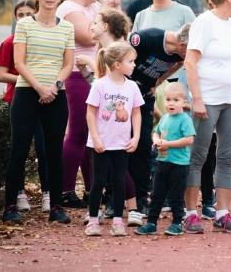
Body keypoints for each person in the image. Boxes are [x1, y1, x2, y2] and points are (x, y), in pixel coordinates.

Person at [2, 0, 74, 225]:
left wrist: (53, 87)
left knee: (54, 152)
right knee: (18, 150)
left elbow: (68, 64)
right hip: (26, 93)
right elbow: (19, 62)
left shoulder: (66, 27)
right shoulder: (24, 25)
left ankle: (56, 207)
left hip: (56, 94)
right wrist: (39, 88)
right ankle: (10, 206)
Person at [183, 0, 231, 234]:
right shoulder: (204, 23)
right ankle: (190, 214)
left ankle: (222, 213)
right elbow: (190, 62)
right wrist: (197, 98)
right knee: (197, 157)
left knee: (226, 156)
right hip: (207, 99)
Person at [126, 23, 190, 214]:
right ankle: (115, 197)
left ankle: (140, 198)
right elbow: (119, 55)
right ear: (183, 44)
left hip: (145, 96)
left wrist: (158, 81)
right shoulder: (147, 37)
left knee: (143, 147)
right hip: (125, 95)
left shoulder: (180, 55)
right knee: (122, 145)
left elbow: (179, 63)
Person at [84, 41, 144, 237]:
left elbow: (136, 113)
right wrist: (95, 137)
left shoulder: (133, 87)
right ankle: (93, 220)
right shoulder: (99, 85)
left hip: (122, 144)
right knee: (99, 180)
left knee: (119, 181)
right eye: (131, 61)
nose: (134, 64)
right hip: (101, 144)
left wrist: (135, 137)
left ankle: (118, 220)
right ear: (118, 65)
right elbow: (90, 113)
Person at [0, 0, 50, 212]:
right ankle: (18, 193)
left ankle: (48, 193)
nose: (25, 17)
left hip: (44, 100)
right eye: (21, 14)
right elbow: (1, 75)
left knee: (44, 148)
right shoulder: (9, 43)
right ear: (15, 18)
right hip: (18, 99)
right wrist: (28, 80)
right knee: (20, 149)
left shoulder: (42, 40)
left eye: (29, 13)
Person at [58, 0, 105, 208]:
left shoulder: (94, 6)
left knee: (92, 133)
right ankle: (65, 189)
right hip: (77, 75)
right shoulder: (69, 8)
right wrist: (104, 23)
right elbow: (88, 36)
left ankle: (92, 188)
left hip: (95, 73)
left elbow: (106, 29)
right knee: (77, 131)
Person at [135, 83, 196, 236]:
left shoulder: (185, 120)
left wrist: (168, 144)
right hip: (162, 162)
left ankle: (177, 223)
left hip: (179, 165)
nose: (171, 103)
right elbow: (156, 132)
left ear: (183, 102)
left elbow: (189, 140)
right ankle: (151, 223)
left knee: (176, 196)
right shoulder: (164, 119)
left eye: (175, 100)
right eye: (168, 100)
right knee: (156, 195)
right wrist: (156, 140)